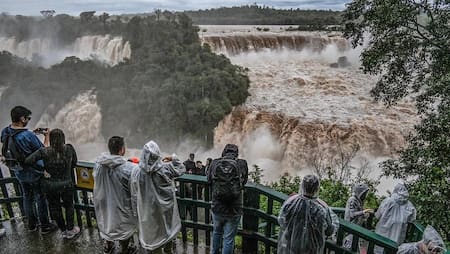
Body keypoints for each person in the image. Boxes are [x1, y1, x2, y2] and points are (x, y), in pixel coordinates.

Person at [0, 106, 56, 234]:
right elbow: (44, 150)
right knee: (40, 197)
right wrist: (47, 136)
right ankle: (45, 226)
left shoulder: (5, 131)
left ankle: (32, 225)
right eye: (28, 118)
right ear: (22, 118)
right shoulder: (28, 136)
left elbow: (15, 141)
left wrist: (31, 133)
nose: (28, 120)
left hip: (18, 171)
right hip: (34, 172)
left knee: (27, 197)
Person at [130, 140, 185, 254]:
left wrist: (135, 209)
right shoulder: (166, 169)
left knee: (153, 233)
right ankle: (168, 250)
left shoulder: (137, 171)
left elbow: (134, 192)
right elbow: (181, 168)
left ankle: (156, 251)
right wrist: (173, 157)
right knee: (168, 229)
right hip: (166, 208)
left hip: (148, 209)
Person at [25, 129, 80, 239]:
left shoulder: (43, 151)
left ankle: (63, 230)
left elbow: (28, 161)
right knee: (69, 206)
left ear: (50, 139)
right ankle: (70, 229)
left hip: (50, 185)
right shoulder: (69, 148)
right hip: (66, 184)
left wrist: (42, 170)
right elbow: (74, 162)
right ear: (63, 138)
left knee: (55, 207)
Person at [93, 136, 137, 254]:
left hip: (104, 201)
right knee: (125, 228)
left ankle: (109, 246)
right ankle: (124, 249)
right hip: (122, 204)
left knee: (106, 222)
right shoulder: (129, 168)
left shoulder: (99, 164)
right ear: (122, 149)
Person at [277, 175, 338, 254]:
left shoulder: (291, 202)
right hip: (312, 249)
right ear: (317, 188)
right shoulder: (322, 208)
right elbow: (329, 231)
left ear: (302, 186)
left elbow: (281, 220)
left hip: (291, 247)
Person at [207, 144, 249, 254]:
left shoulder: (215, 162)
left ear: (223, 151)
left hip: (217, 206)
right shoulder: (242, 163)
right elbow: (243, 182)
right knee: (229, 239)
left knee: (216, 232)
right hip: (234, 208)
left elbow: (208, 180)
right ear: (236, 153)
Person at [374, 183, 416, 253]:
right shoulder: (409, 205)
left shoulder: (388, 201)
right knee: (394, 248)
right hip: (398, 233)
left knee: (380, 247)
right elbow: (412, 219)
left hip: (384, 230)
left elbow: (378, 215)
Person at [344, 183, 374, 249]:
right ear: (359, 192)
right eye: (364, 193)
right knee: (348, 247)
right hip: (350, 228)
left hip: (355, 229)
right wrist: (364, 212)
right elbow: (352, 214)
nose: (365, 195)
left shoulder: (359, 201)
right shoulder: (353, 200)